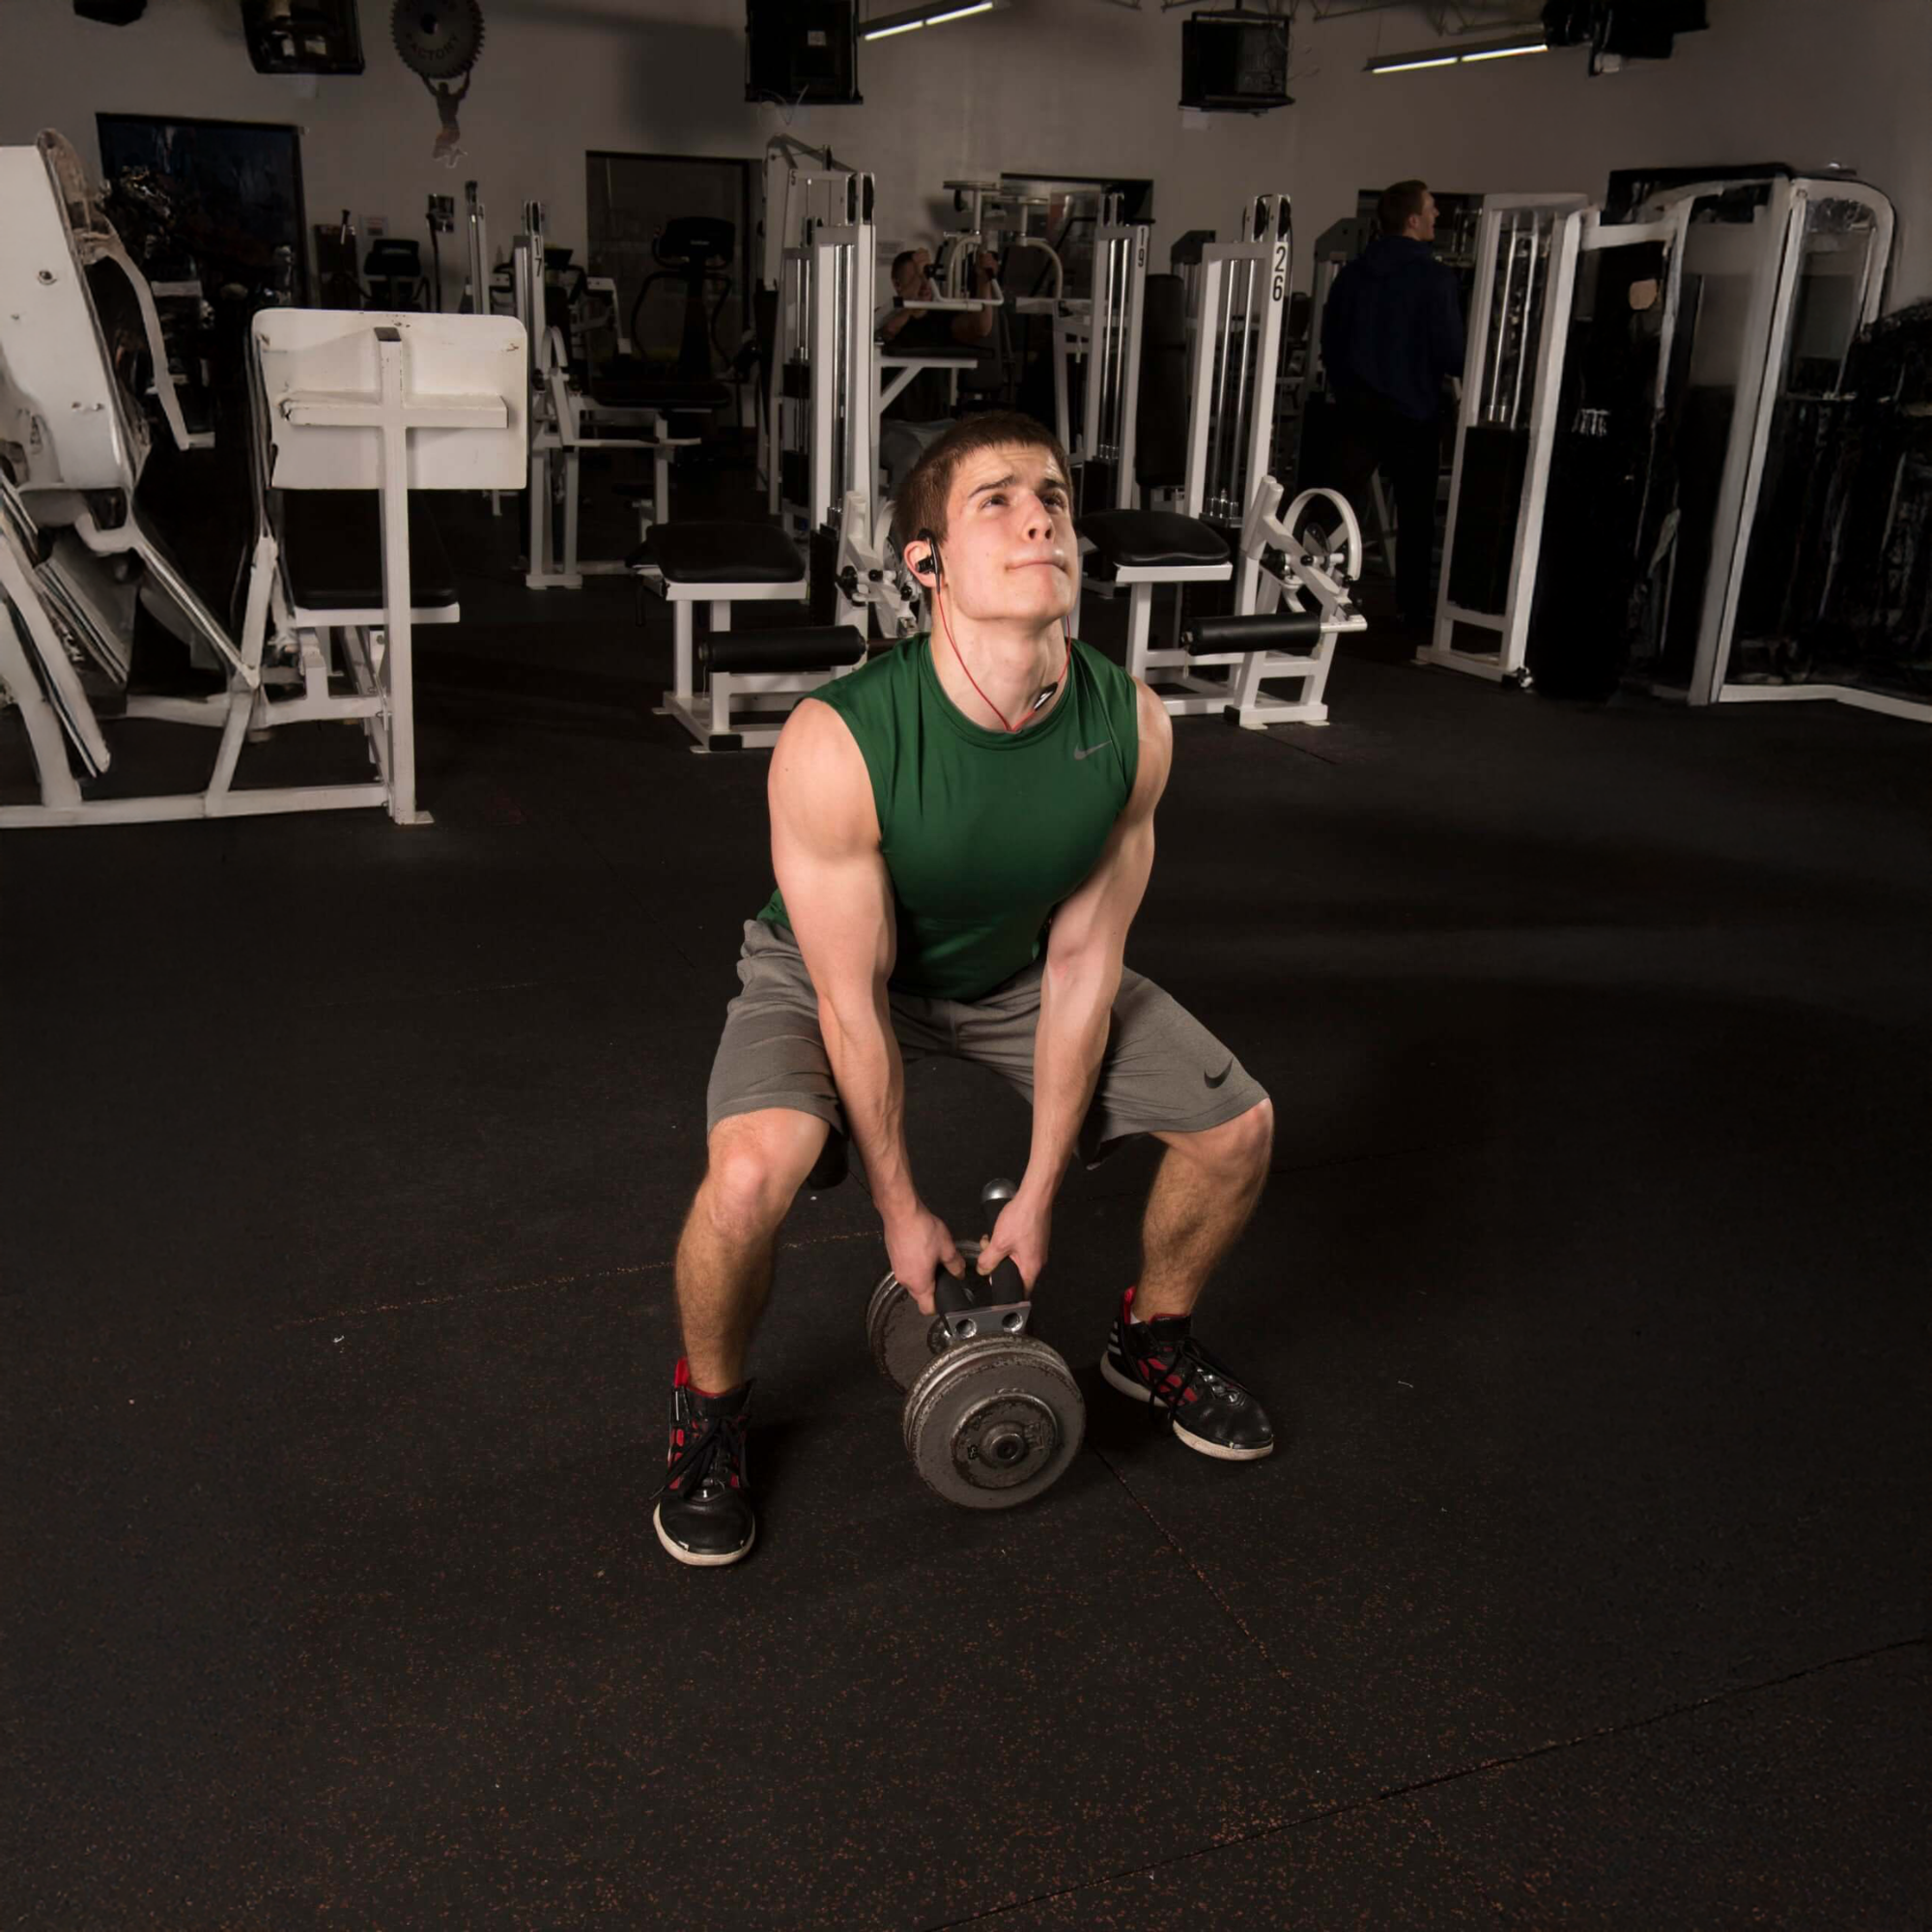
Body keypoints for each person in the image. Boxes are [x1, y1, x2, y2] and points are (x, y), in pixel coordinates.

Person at [655, 411, 1278, 1567]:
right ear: (925, 562)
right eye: (993, 498)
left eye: (1049, 492)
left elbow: (1085, 964)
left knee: (1236, 1127)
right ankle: (710, 1412)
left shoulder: (1130, 726)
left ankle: (1149, 1340)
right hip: (836, 972)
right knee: (749, 1173)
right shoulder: (837, 739)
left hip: (1010, 969)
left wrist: (1037, 1192)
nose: (1038, 511)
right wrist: (900, 1207)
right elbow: (851, 1002)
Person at [1320, 180, 1464, 628]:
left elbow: (1330, 342)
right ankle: (1413, 615)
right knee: (1417, 520)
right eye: (1433, 209)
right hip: (1413, 413)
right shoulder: (1437, 278)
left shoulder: (1352, 276)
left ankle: (1315, 599)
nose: (1438, 217)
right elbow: (1452, 353)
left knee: (1333, 508)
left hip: (1357, 412)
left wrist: (1351, 392)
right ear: (1413, 219)